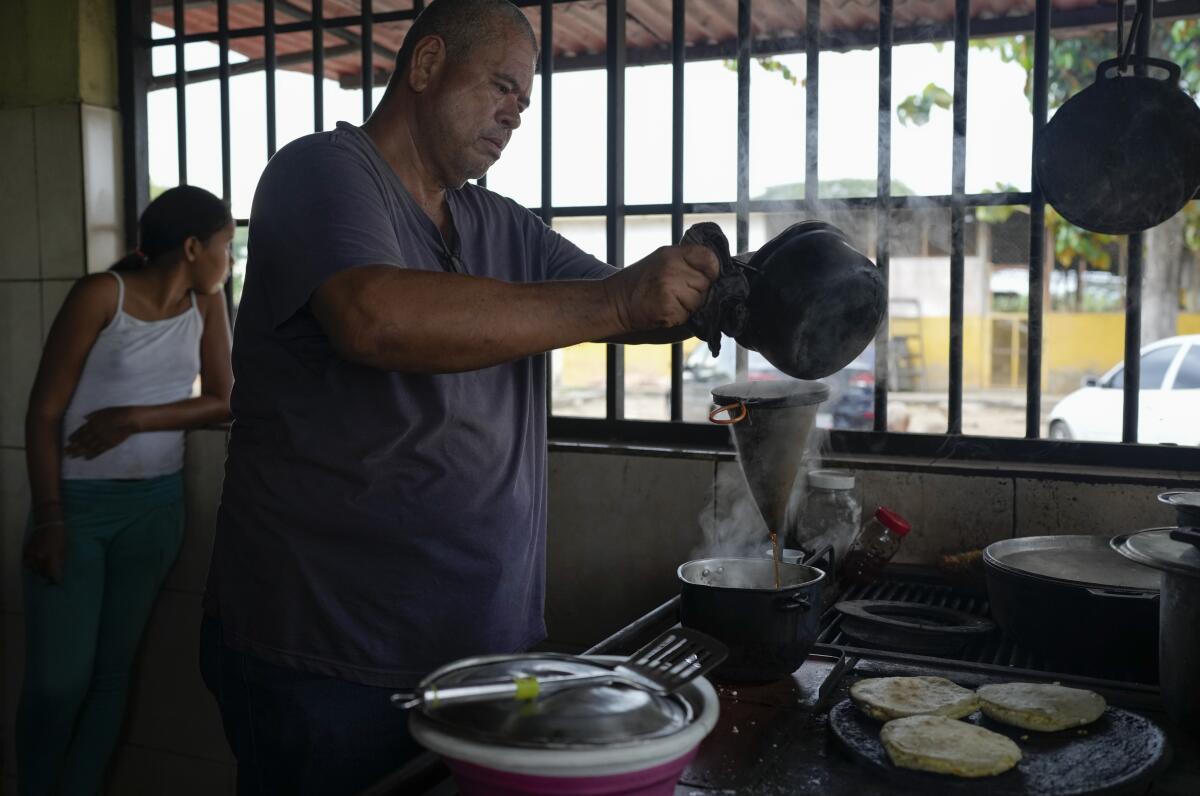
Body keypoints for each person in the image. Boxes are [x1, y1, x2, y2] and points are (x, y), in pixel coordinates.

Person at [199, 1, 717, 792]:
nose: (514, 114)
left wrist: (735, 293)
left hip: (481, 653)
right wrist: (614, 303)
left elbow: (631, 305)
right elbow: (375, 317)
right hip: (331, 656)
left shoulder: (500, 224)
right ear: (428, 64)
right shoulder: (320, 174)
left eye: (525, 102)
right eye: (501, 87)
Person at [19, 185, 234, 795]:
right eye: (224, 246)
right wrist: (51, 518)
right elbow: (42, 414)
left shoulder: (207, 303)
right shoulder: (100, 294)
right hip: (77, 513)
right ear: (193, 247)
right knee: (58, 682)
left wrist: (134, 417)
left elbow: (224, 399)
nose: (229, 259)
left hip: (154, 509)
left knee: (112, 676)